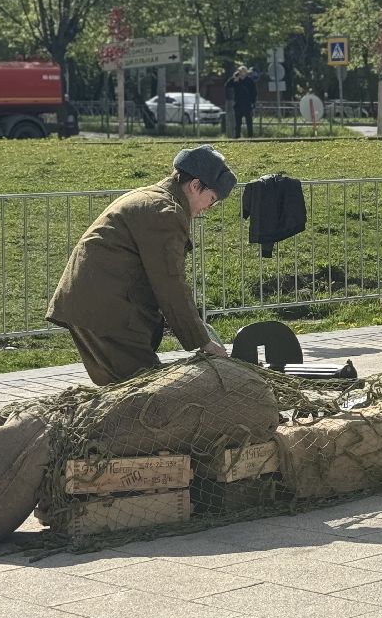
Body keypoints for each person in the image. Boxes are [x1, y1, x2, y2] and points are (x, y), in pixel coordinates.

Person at [46, 146, 235, 386]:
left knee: (124, 391)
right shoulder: (166, 212)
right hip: (107, 313)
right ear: (196, 185)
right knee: (145, 395)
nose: (208, 209)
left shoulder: (149, 197)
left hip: (96, 307)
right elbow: (170, 283)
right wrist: (202, 341)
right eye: (212, 200)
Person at [225, 65, 258, 139]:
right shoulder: (236, 80)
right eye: (240, 71)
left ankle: (250, 136)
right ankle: (237, 136)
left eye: (243, 71)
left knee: (249, 121)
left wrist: (253, 102)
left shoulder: (249, 80)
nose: (242, 73)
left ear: (246, 72)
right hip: (238, 104)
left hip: (247, 103)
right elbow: (227, 86)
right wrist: (233, 78)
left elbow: (254, 92)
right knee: (238, 122)